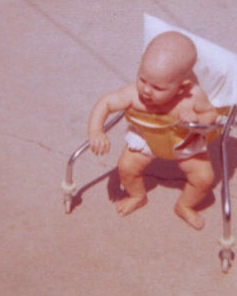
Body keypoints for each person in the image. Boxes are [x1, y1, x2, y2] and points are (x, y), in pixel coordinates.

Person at [87, 31, 222, 230]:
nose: (146, 90)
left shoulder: (192, 97)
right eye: (142, 79)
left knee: (203, 179)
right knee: (126, 167)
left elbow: (212, 115)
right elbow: (106, 103)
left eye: (158, 88)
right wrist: (96, 130)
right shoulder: (134, 94)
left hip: (183, 142)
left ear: (182, 87)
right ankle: (137, 196)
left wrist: (197, 119)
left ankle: (184, 205)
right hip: (146, 139)